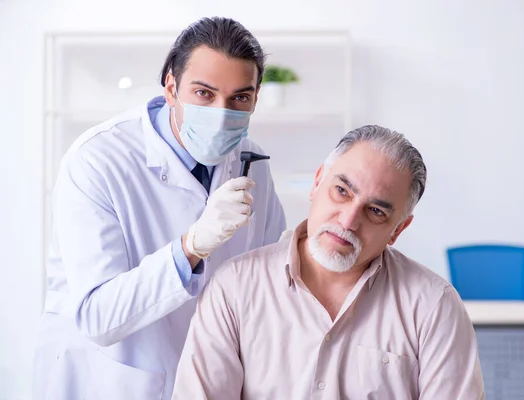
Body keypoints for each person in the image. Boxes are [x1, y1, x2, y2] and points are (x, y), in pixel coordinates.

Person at [33, 17, 286, 400]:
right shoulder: (97, 160)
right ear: (171, 86)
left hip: (203, 375)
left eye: (240, 98)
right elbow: (98, 316)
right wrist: (190, 247)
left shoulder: (252, 161)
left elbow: (270, 277)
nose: (222, 113)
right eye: (204, 93)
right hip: (110, 376)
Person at [172, 125, 486, 400]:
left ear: (398, 230)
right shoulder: (235, 288)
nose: (348, 221)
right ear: (317, 182)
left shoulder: (433, 306)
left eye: (376, 211)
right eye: (341, 191)